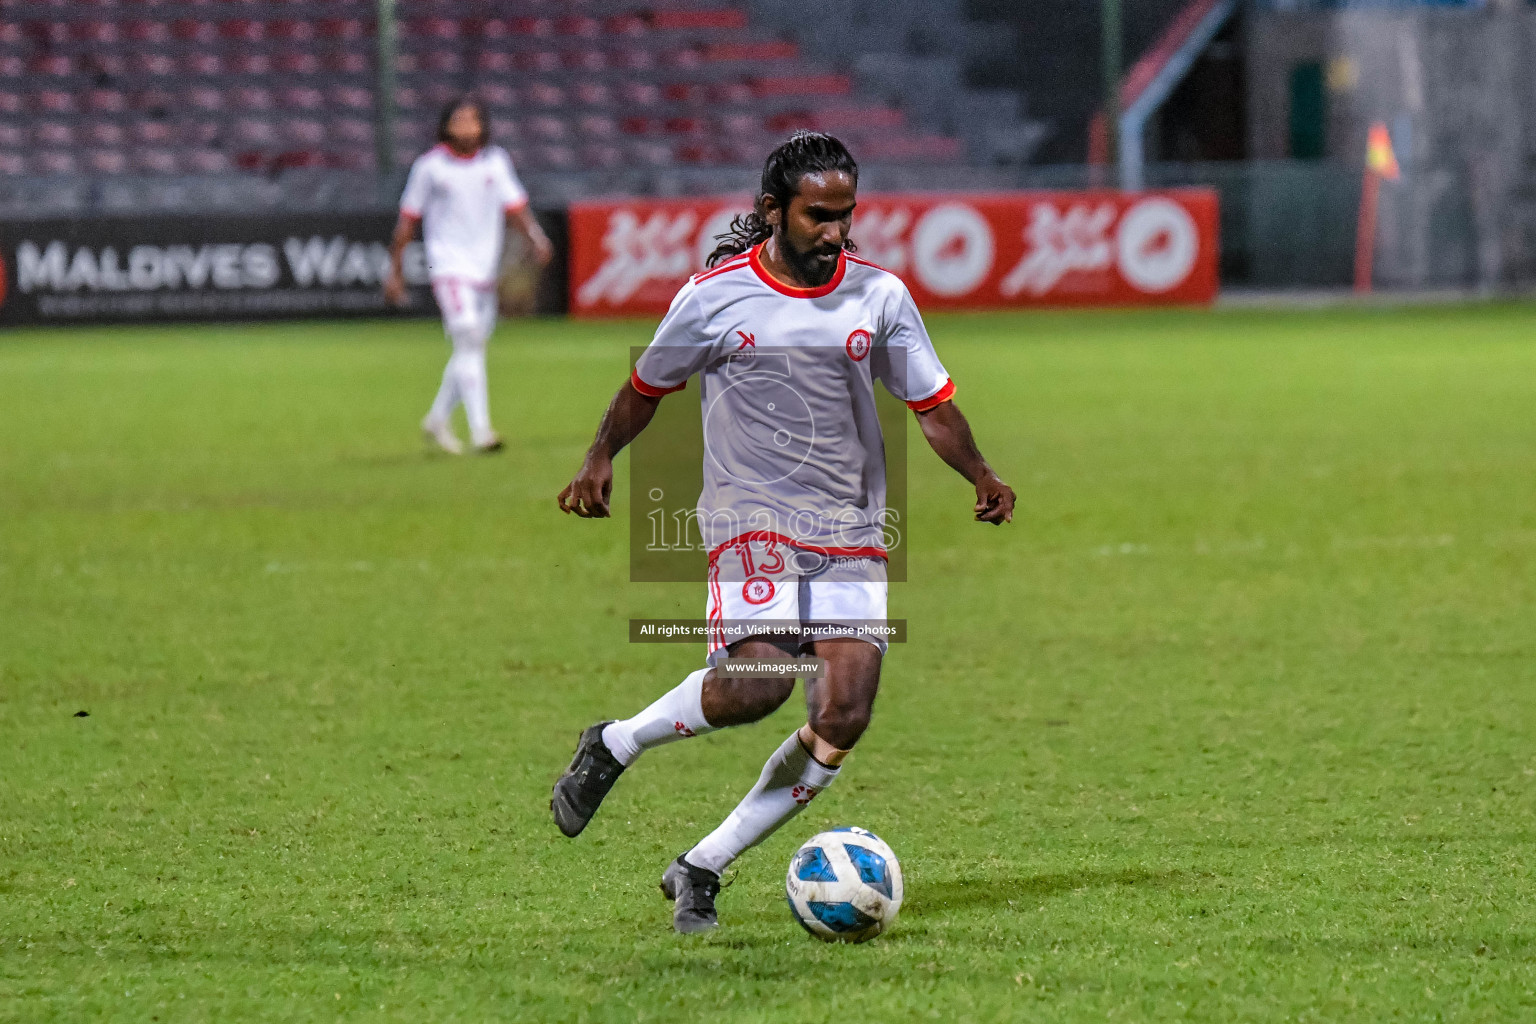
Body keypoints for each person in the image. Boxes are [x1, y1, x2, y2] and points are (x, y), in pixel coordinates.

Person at [550, 131, 1016, 933]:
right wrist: (599, 455)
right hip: (748, 516)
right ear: (774, 210)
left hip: (851, 524)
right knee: (758, 686)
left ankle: (700, 866)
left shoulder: (881, 296)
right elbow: (643, 388)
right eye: (818, 215)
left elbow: (931, 406)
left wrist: (979, 472)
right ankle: (616, 743)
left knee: (844, 713)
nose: (836, 231)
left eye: (846, 214)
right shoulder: (713, 296)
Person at [385, 97, 553, 455]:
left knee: (469, 347)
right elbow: (408, 220)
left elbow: (516, 206)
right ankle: (481, 432)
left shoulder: (495, 161)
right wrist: (395, 270)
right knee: (469, 338)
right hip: (448, 266)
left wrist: (537, 238)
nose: (466, 127)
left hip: (484, 269)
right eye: (459, 120)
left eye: (472, 120)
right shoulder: (430, 167)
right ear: (446, 125)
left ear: (483, 125)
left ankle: (436, 418)